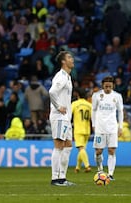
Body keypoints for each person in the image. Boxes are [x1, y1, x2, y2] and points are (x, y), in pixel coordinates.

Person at [49, 51, 75, 186]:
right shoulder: (61, 76)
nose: (73, 59)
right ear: (63, 62)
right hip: (59, 116)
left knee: (68, 146)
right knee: (59, 146)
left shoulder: (68, 77)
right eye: (69, 57)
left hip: (66, 118)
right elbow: (51, 92)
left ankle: (62, 177)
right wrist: (58, 106)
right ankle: (55, 178)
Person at [91, 76, 124, 180]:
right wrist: (93, 124)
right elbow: (93, 110)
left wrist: (120, 126)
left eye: (110, 86)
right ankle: (100, 170)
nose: (108, 88)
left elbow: (120, 111)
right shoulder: (96, 95)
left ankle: (110, 174)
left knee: (111, 150)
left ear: (113, 85)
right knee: (98, 151)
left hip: (112, 127)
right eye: (106, 86)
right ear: (102, 85)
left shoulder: (117, 96)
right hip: (100, 127)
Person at [71, 87, 92, 173]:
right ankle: (78, 167)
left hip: (78, 129)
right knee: (82, 149)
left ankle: (87, 166)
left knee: (81, 149)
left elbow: (69, 115)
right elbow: (93, 118)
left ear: (78, 95)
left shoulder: (75, 104)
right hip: (87, 130)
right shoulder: (89, 105)